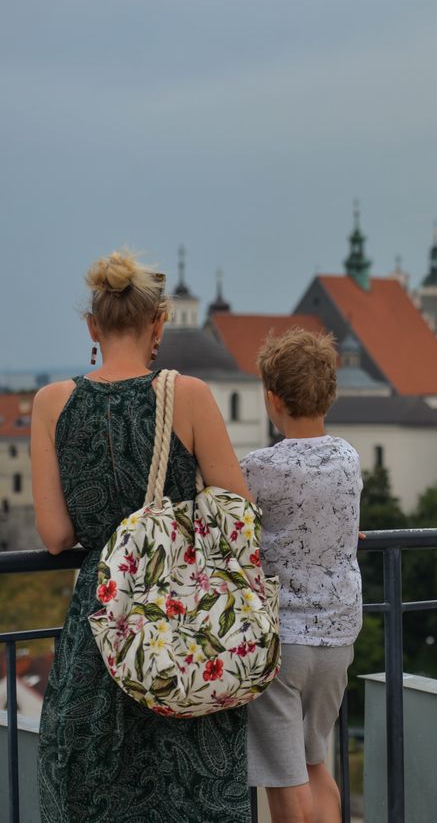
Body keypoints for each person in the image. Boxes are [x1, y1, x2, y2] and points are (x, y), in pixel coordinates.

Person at [31, 250, 254, 822]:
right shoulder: (191, 395)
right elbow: (238, 511)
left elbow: (55, 534)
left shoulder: (53, 403)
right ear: (159, 325)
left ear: (92, 327)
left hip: (101, 631)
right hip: (182, 633)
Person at [240, 329, 362, 823]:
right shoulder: (349, 458)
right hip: (338, 636)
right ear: (329, 393)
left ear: (272, 399)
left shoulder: (258, 468)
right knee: (316, 764)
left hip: (283, 640)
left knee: (284, 779)